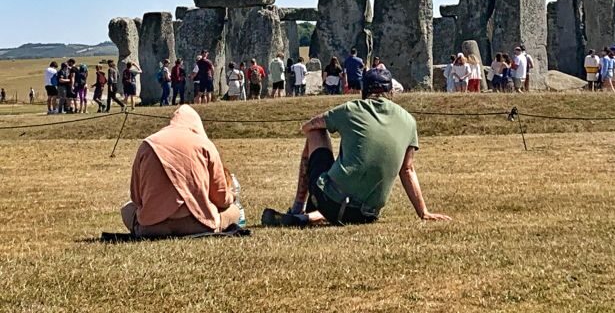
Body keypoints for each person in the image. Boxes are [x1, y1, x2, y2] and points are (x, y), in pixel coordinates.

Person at [261, 68, 451, 227]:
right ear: (391, 92)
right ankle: (304, 218)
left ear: (364, 91)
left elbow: (308, 126)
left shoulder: (352, 108)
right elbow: (407, 169)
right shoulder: (409, 121)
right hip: (367, 215)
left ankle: (297, 208)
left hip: (331, 201)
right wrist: (423, 212)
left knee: (315, 133)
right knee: (348, 202)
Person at [120, 105, 242, 237]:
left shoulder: (147, 144)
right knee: (234, 211)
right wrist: (232, 196)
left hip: (152, 228)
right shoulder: (205, 145)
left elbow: (136, 198)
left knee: (127, 209)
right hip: (198, 225)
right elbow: (220, 198)